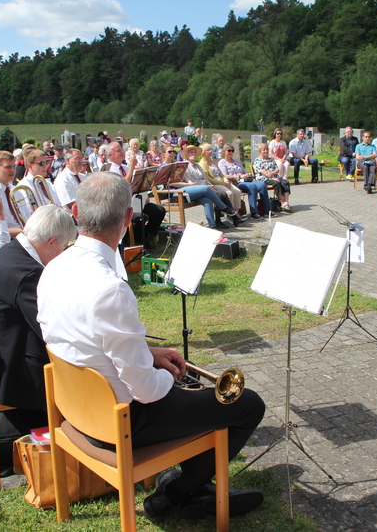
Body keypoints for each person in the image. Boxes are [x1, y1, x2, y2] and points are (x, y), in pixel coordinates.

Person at [37, 172, 265, 520]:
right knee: (246, 403)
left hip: (77, 411)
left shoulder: (53, 268)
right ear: (129, 217)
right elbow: (146, 391)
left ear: (75, 210)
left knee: (195, 396)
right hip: (119, 423)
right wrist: (171, 380)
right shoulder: (108, 287)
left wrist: (151, 355)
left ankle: (192, 481)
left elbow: (85, 344)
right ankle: (177, 493)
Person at [0, 204, 77, 433]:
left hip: (0, 353)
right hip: (13, 371)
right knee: (88, 367)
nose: (63, 253)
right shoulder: (27, 272)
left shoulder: (12, 253)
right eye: (64, 246)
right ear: (51, 242)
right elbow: (51, 328)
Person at [102, 142, 165, 249]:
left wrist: (144, 194)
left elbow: (135, 183)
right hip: (120, 205)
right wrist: (132, 167)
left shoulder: (125, 167)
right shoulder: (108, 168)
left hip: (134, 200)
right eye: (118, 151)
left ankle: (148, 235)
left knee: (159, 210)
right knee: (139, 217)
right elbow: (123, 185)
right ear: (110, 155)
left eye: (122, 150)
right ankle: (141, 241)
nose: (122, 152)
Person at [169, 145, 240, 229]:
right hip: (186, 192)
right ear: (186, 154)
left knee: (207, 201)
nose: (194, 154)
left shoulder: (198, 165)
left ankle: (212, 226)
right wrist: (197, 185)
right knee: (211, 190)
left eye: (195, 152)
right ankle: (224, 208)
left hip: (199, 190)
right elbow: (179, 182)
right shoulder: (183, 166)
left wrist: (209, 184)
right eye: (191, 152)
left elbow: (202, 179)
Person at [219, 145, 273, 219]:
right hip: (235, 182)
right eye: (229, 150)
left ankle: (267, 210)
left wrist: (247, 174)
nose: (231, 152)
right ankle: (254, 212)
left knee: (262, 184)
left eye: (232, 150)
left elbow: (245, 171)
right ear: (224, 151)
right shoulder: (222, 162)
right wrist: (239, 177)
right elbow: (225, 175)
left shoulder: (236, 161)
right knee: (252, 187)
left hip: (245, 180)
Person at [199, 143, 243, 217]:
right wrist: (221, 183)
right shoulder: (202, 164)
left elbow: (221, 174)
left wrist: (226, 181)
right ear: (203, 152)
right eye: (208, 150)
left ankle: (236, 213)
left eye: (211, 149)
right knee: (229, 193)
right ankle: (230, 216)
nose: (211, 151)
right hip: (215, 184)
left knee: (237, 192)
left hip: (222, 182)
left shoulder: (212, 162)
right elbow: (208, 178)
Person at [0, 150, 22, 236]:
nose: (13, 170)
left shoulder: (15, 190)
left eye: (14, 166)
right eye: (8, 167)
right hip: (8, 238)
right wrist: (25, 233)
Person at [253, 143, 292, 212]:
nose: (266, 151)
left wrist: (273, 173)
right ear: (260, 151)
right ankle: (282, 202)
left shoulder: (271, 159)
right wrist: (272, 176)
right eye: (263, 150)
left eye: (267, 150)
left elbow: (277, 169)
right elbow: (266, 174)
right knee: (277, 182)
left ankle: (286, 202)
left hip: (275, 176)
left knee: (285, 182)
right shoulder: (258, 161)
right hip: (263, 178)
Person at [54, 149, 87, 213]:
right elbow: (71, 205)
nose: (81, 161)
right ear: (68, 160)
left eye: (81, 158)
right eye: (77, 158)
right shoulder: (62, 179)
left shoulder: (82, 177)